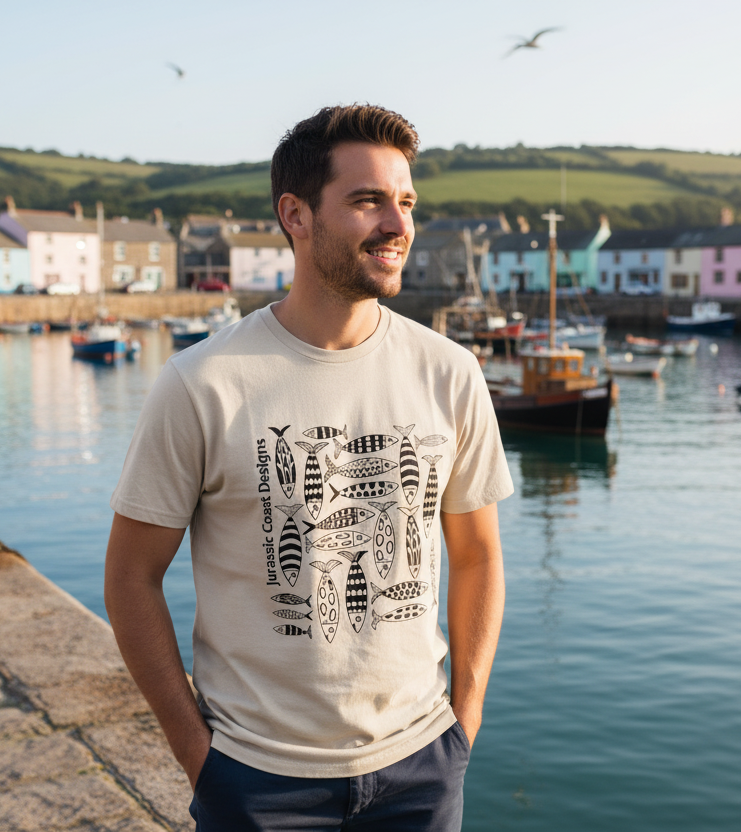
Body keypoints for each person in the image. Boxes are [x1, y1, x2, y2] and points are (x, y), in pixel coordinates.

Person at [104, 104, 514, 831]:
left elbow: (478, 555)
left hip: (422, 771)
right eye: (367, 201)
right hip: (258, 783)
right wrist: (201, 759)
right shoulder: (204, 383)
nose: (397, 224)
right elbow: (130, 578)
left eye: (406, 201)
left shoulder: (450, 373)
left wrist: (464, 723)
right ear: (295, 215)